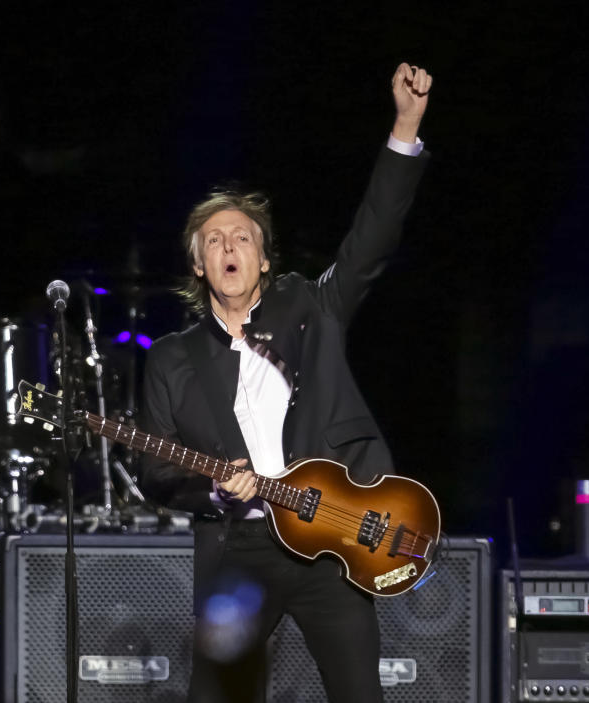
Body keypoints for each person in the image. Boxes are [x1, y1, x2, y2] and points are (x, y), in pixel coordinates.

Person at [139, 62, 432, 703]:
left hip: (332, 539)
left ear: (263, 258)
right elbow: (152, 471)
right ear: (198, 264)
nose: (228, 246)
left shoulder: (309, 309)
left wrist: (406, 125)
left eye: (241, 236)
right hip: (239, 547)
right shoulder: (171, 358)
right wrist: (213, 491)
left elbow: (371, 240)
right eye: (213, 240)